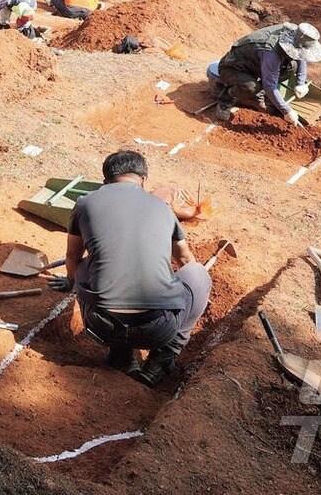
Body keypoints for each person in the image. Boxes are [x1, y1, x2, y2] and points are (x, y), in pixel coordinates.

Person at [54, 150, 211, 387]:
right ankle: (163, 358)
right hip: (158, 329)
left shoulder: (85, 203)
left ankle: (121, 356)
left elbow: (72, 257)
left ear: (105, 180)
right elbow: (186, 260)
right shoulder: (162, 208)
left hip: (101, 325)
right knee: (198, 274)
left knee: (87, 265)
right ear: (143, 180)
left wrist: (70, 282)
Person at [211, 22, 321, 125]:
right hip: (233, 67)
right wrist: (287, 111)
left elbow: (301, 55)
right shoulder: (271, 52)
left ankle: (262, 94)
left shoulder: (296, 35)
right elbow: (269, 85)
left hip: (256, 64)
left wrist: (301, 82)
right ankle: (226, 98)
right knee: (250, 87)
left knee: (292, 67)